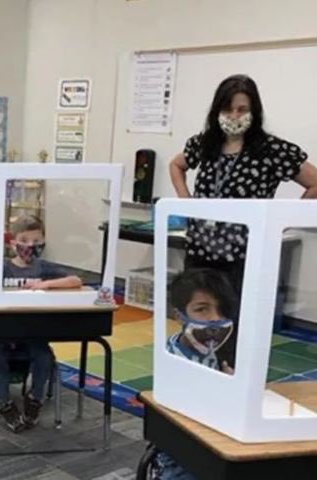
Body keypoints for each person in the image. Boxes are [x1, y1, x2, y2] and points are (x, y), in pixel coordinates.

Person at [169, 74, 317, 289]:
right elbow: (176, 165)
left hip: (244, 257)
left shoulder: (271, 149)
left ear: (253, 112)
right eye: (228, 109)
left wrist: (282, 221)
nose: (234, 116)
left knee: (236, 318)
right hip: (199, 251)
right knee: (197, 316)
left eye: (242, 110)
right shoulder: (205, 143)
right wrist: (186, 202)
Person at [0, 215, 83, 433]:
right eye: (25, 240)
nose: (31, 246)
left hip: (32, 333)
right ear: (13, 243)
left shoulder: (42, 267)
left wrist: (45, 283)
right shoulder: (2, 268)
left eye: (36, 241)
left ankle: (35, 399)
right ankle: (5, 404)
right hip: (2, 334)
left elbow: (76, 280)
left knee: (44, 355)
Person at [154, 268, 238, 479]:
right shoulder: (174, 360)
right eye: (202, 309)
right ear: (178, 315)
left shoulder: (207, 350)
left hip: (212, 443)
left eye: (221, 310)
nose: (214, 318)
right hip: (182, 460)